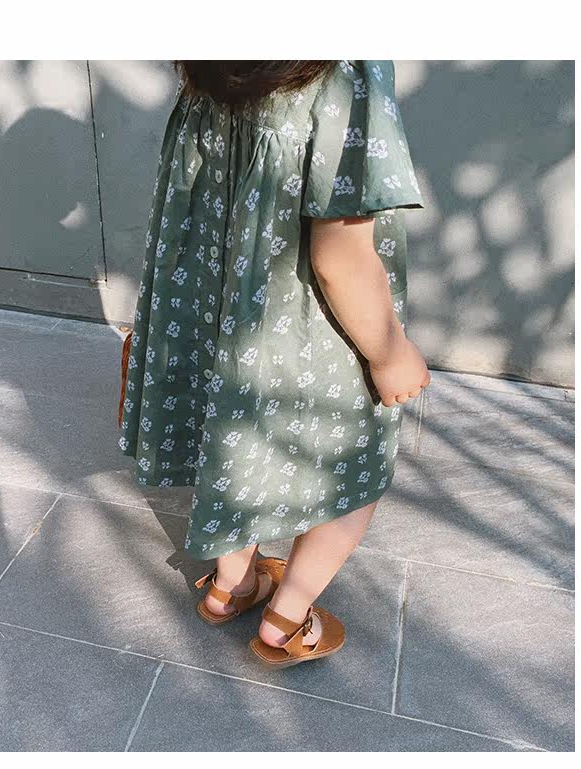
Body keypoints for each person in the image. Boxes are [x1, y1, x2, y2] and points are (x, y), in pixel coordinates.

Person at [118, 60, 429, 668]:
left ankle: (231, 585)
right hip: (312, 322)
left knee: (234, 441)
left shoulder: (217, 57)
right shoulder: (343, 72)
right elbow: (340, 255)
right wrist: (390, 351)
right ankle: (286, 621)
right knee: (353, 467)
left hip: (219, 308)